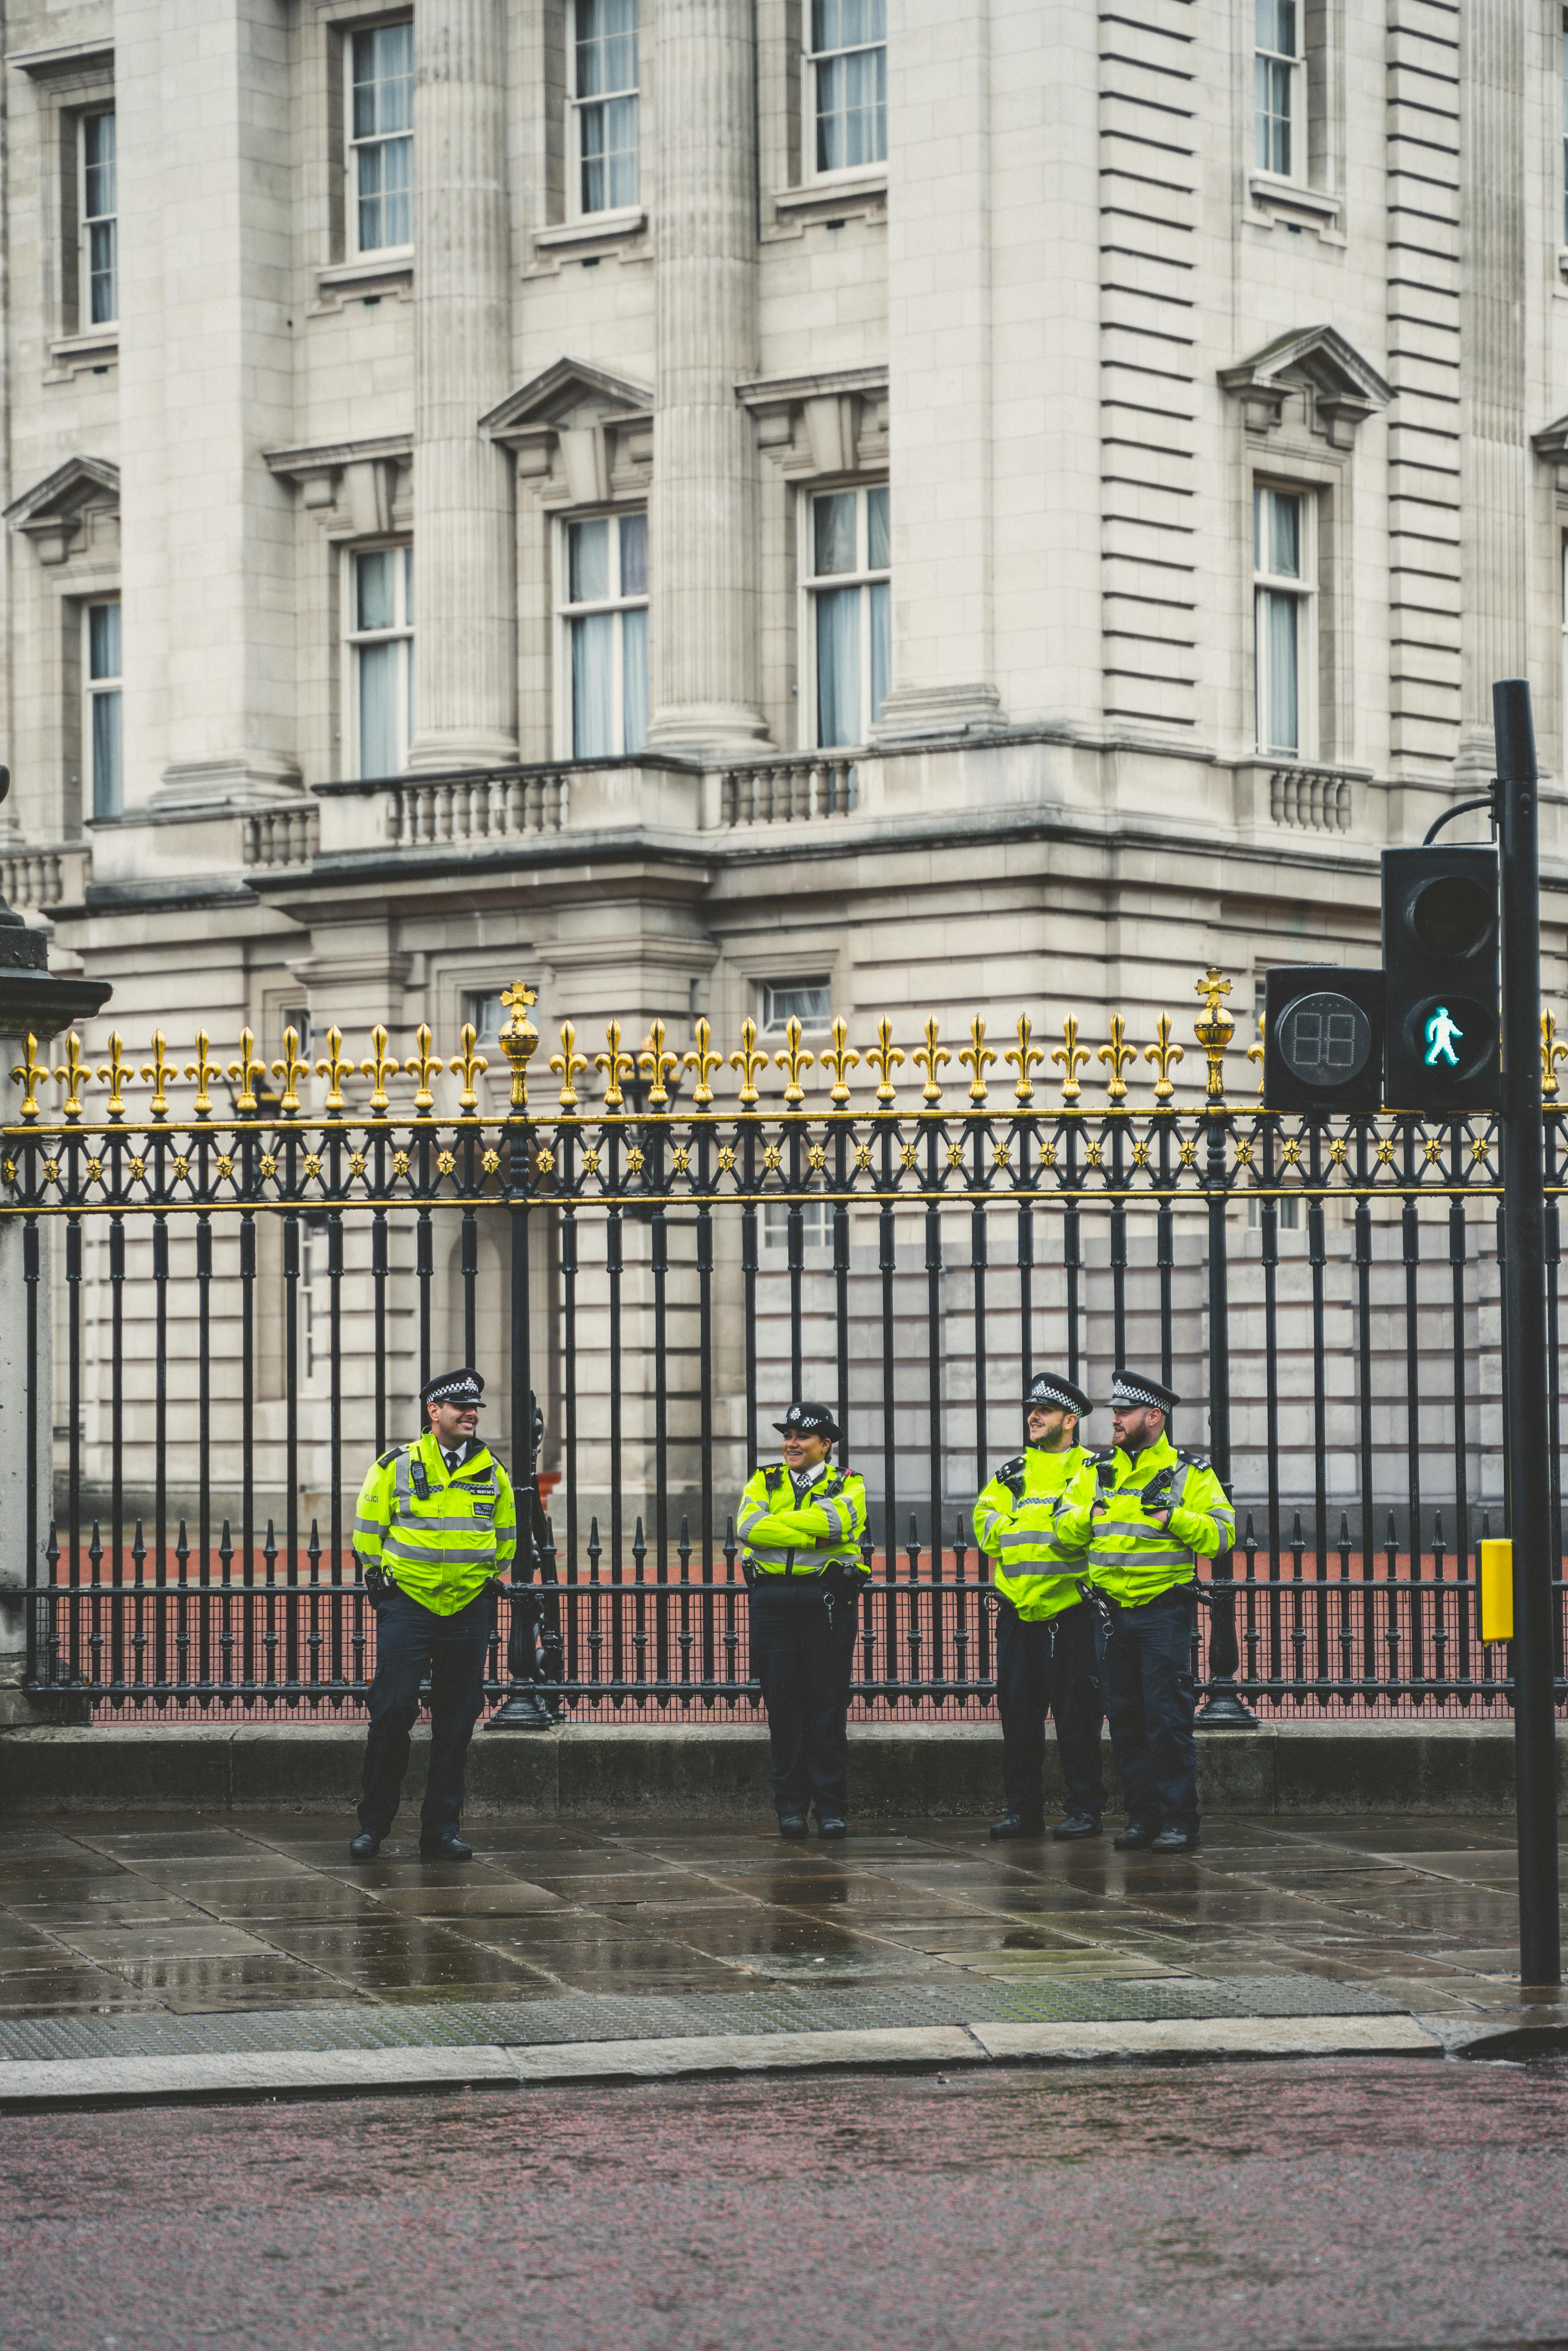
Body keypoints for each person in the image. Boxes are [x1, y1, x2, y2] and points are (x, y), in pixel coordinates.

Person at [1051, 1371, 1234, 1854]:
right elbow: (1062, 1530)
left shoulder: (1187, 1473)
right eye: (1114, 1411)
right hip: (1109, 1616)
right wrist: (1087, 1515)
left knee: (1168, 1721)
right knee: (1126, 1720)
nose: (1113, 1418)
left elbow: (1221, 1536)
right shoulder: (1096, 1471)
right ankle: (1142, 1817)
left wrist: (1172, 1516)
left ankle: (1179, 1820)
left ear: (1153, 1416)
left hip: (1161, 1614)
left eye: (1123, 1412)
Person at [349, 1366, 517, 1862]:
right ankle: (373, 1825)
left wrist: (479, 1580)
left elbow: (505, 1540)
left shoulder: (492, 1469)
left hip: (468, 1606)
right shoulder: (396, 1465)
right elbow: (367, 1531)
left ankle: (440, 1830)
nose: (472, 1415)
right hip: (409, 1605)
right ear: (434, 1412)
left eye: (476, 1409)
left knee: (457, 1721)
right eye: (462, 1408)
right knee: (393, 1710)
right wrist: (384, 1583)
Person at [973, 1373, 1105, 1840]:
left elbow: (1082, 1532)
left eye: (1044, 1410)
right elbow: (984, 1528)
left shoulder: (1093, 1469)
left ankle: (1085, 1810)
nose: (1033, 1416)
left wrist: (1019, 1523)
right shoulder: (1011, 1472)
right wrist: (1040, 1524)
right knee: (1018, 1721)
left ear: (1070, 1420)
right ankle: (1022, 1811)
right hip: (1017, 1614)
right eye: (1031, 1409)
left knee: (1078, 1719)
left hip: (1071, 1614)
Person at [737, 1401, 869, 1839]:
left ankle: (831, 1807)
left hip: (826, 1600)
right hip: (771, 1600)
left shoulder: (849, 1483)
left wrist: (779, 1524)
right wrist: (811, 1528)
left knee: (827, 1706)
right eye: (788, 1435)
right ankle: (790, 1808)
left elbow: (840, 1521)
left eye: (802, 1437)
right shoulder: (765, 1478)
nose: (791, 1443)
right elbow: (748, 1527)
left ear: (825, 1444)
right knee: (783, 1706)